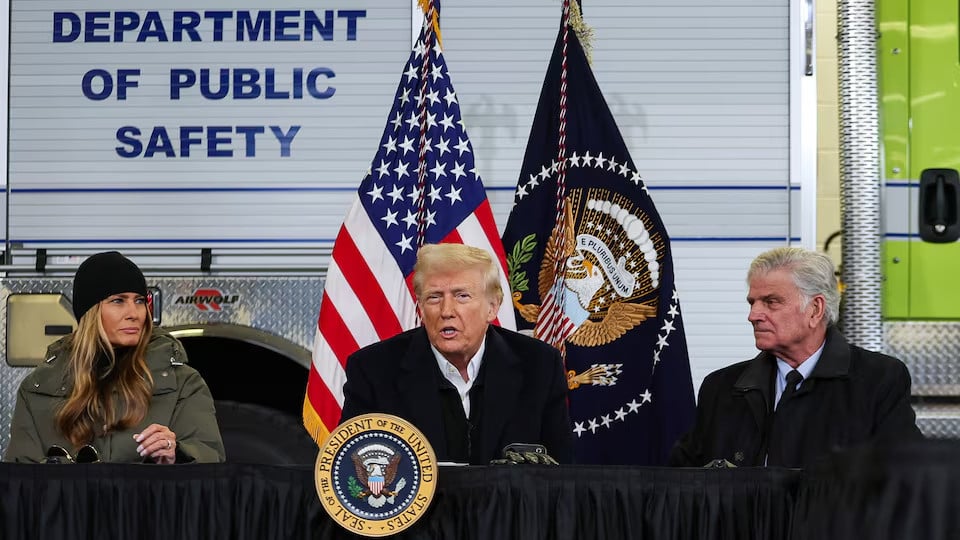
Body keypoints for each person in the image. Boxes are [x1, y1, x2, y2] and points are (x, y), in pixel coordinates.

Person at [670, 247, 922, 468]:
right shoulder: (720, 388)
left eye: (771, 302)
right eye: (752, 302)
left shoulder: (878, 380)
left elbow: (903, 482)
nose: (753, 315)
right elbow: (685, 486)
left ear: (815, 309)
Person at [339, 243, 573, 464]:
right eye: (434, 297)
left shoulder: (539, 365)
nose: (447, 311)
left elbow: (564, 476)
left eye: (462, 296)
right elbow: (352, 470)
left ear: (492, 306)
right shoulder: (373, 370)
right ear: (420, 307)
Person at [4, 251, 225, 463]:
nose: (135, 313)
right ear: (90, 312)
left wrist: (177, 454)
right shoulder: (37, 390)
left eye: (139, 300)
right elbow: (20, 486)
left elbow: (211, 461)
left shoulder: (183, 383)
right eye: (118, 301)